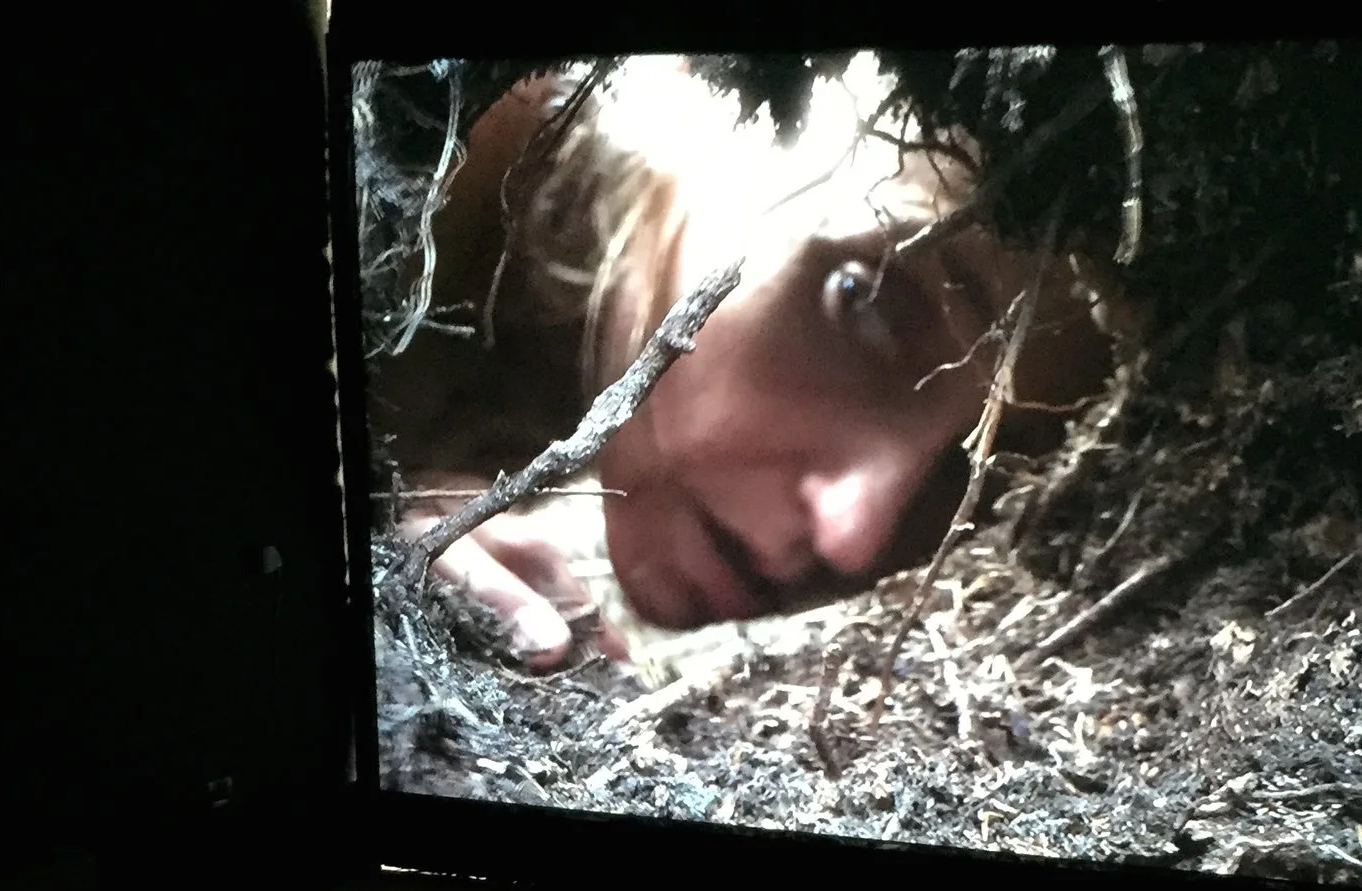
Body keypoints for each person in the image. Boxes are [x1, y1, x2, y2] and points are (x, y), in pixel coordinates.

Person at [366, 54, 1122, 670]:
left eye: (988, 471)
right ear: (729, 89)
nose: (855, 535)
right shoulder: (426, 141)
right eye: (866, 304)